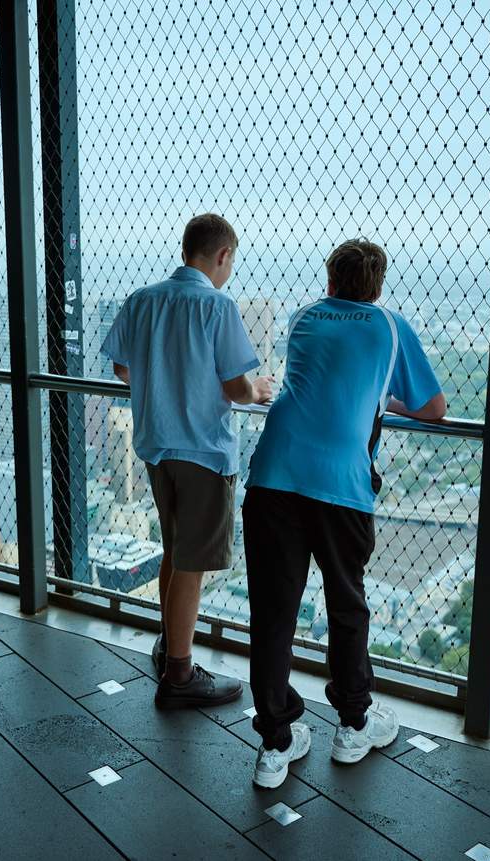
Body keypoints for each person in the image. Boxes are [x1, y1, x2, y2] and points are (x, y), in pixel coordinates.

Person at [243, 238, 446, 788]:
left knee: (274, 613)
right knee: (347, 607)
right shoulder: (389, 326)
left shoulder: (304, 316)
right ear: (378, 288)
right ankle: (353, 725)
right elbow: (433, 408)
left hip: (273, 478)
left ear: (329, 280)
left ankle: (275, 743)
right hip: (341, 487)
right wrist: (387, 402)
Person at [102, 213, 275, 709]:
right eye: (231, 262)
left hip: (157, 446)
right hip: (203, 450)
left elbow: (120, 366)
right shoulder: (218, 307)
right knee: (193, 563)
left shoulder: (143, 299)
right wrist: (256, 389)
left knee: (175, 551)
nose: (230, 271)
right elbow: (234, 386)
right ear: (222, 255)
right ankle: (180, 673)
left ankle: (168, 644)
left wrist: (163, 386)